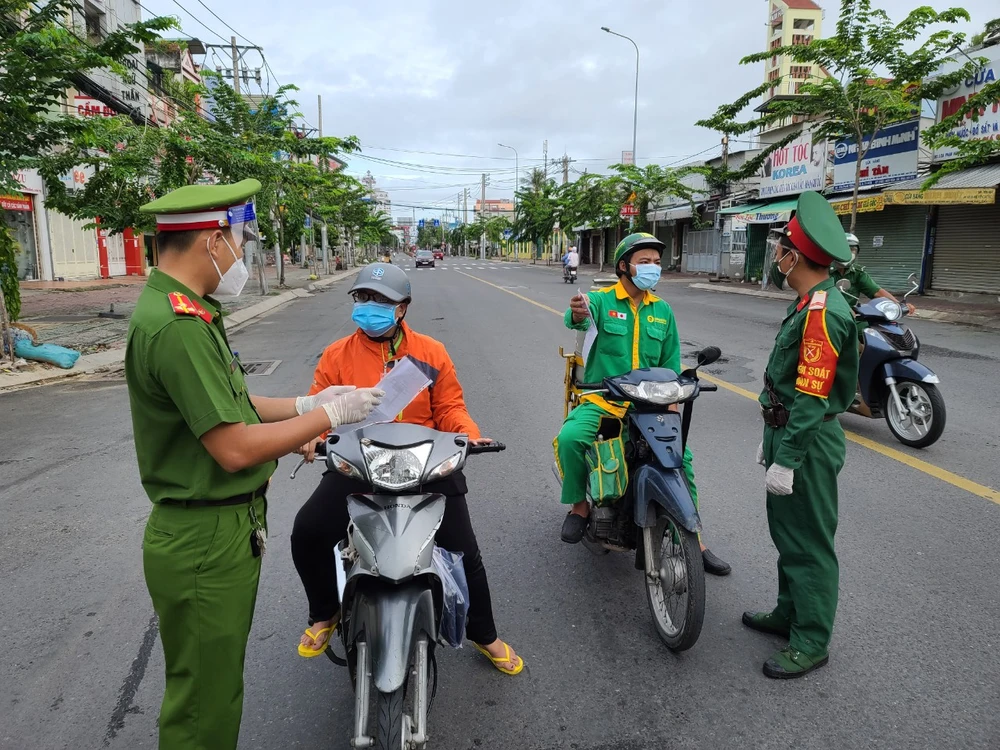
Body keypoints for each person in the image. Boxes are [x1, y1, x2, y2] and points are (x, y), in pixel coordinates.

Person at [126, 179, 384, 749]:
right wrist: (331, 414)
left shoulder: (192, 312)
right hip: (203, 538)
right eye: (241, 239)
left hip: (221, 528)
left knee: (216, 691)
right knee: (204, 710)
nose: (243, 253)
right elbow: (236, 446)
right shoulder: (177, 326)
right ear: (212, 241)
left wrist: (303, 405)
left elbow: (233, 407)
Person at [290, 263, 524, 675]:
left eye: (381, 300)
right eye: (363, 298)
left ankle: (484, 633)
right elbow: (317, 405)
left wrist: (469, 435)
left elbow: (450, 408)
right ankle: (324, 613)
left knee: (464, 550)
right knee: (307, 531)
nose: (369, 307)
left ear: (403, 308)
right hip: (359, 462)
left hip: (426, 462)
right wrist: (310, 433)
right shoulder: (336, 355)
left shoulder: (430, 352)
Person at [552, 233, 731, 576]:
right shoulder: (602, 301)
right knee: (573, 438)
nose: (652, 268)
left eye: (656, 262)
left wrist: (672, 409)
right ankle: (578, 508)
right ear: (624, 266)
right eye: (644, 261)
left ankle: (695, 539)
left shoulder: (662, 311)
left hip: (649, 406)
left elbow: (671, 363)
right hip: (605, 401)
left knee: (683, 461)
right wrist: (576, 312)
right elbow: (578, 317)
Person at [745, 190, 859, 679]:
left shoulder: (823, 313)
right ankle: (789, 612)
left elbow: (812, 398)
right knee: (787, 532)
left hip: (806, 443)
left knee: (810, 542)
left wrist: (787, 456)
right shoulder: (808, 301)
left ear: (796, 256)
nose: (776, 256)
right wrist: (770, 436)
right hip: (788, 432)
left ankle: (811, 639)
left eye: (780, 248)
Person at [833, 234, 916, 315]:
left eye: (853, 250)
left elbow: (876, 291)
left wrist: (898, 305)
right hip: (829, 314)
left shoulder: (857, 273)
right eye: (844, 249)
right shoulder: (823, 270)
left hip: (851, 316)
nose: (849, 253)